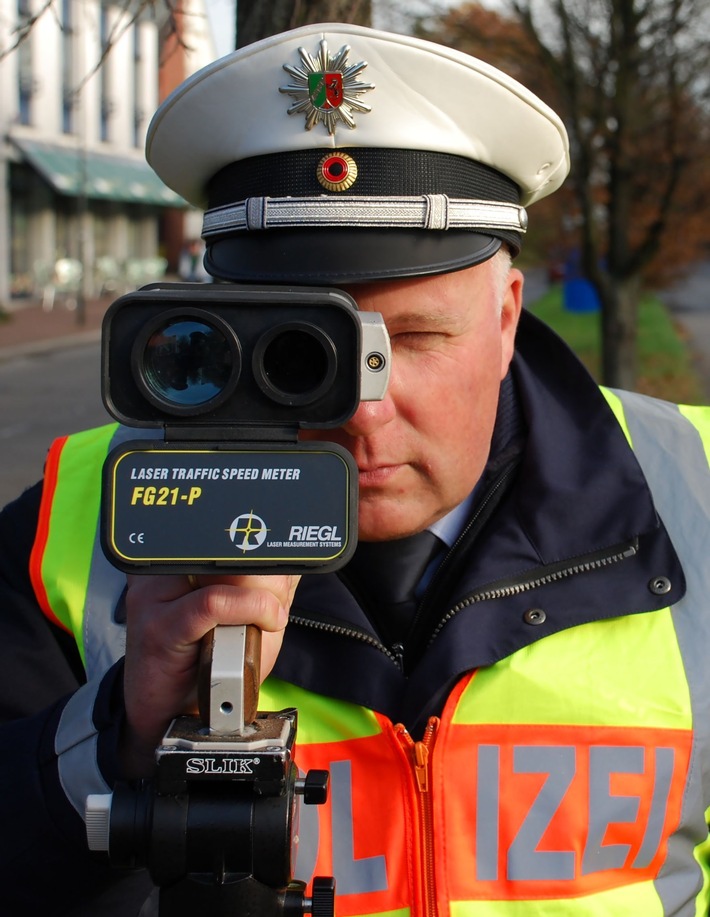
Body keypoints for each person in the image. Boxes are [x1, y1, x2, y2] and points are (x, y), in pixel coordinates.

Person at [1, 21, 709, 916]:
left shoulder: (693, 490)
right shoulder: (77, 518)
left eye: (413, 338)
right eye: (306, 351)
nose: (360, 410)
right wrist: (114, 741)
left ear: (505, 317)